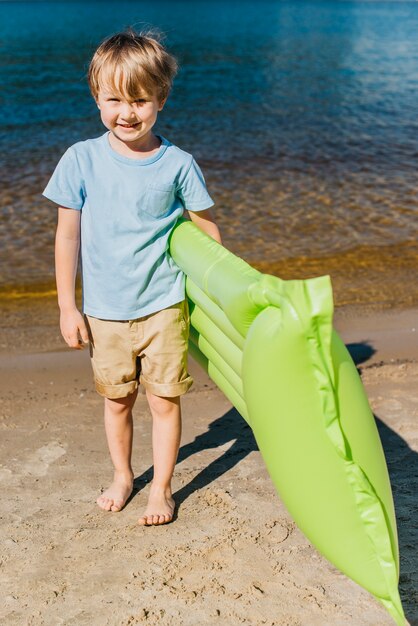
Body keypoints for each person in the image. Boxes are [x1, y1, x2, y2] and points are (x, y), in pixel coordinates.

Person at [42, 29, 221, 526]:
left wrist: (215, 290)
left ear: (160, 99)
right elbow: (67, 238)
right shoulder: (81, 159)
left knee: (164, 403)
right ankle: (123, 475)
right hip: (106, 312)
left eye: (140, 100)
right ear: (96, 97)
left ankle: (161, 488)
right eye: (114, 98)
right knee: (117, 401)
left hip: (165, 306)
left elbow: (205, 226)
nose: (127, 112)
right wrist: (66, 306)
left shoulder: (179, 164)